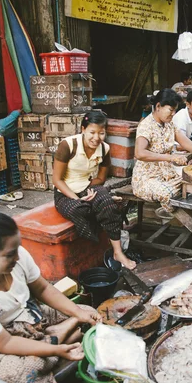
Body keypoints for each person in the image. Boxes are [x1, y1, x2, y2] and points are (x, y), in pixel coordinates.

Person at [0, 213, 100, 383]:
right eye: (10, 254)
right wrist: (58, 350)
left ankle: (54, 341)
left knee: (88, 312)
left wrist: (77, 312)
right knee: (24, 371)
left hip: (30, 319)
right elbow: (5, 343)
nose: (18, 257)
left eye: (18, 249)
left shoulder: (16, 255)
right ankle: (57, 340)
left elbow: (42, 289)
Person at [53, 110, 135, 270]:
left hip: (87, 188)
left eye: (101, 133)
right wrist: (76, 198)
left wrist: (92, 190)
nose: (96, 138)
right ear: (83, 129)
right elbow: (57, 180)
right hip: (65, 193)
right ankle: (95, 242)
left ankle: (118, 252)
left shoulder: (104, 149)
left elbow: (101, 179)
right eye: (92, 132)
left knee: (108, 205)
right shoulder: (68, 145)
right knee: (79, 210)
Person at [133, 89, 192, 219]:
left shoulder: (169, 124)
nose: (173, 114)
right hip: (146, 178)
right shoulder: (146, 125)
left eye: (175, 110)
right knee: (168, 193)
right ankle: (180, 218)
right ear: (158, 106)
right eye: (171, 110)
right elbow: (139, 153)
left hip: (167, 174)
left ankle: (190, 218)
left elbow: (185, 142)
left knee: (191, 184)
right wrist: (170, 157)